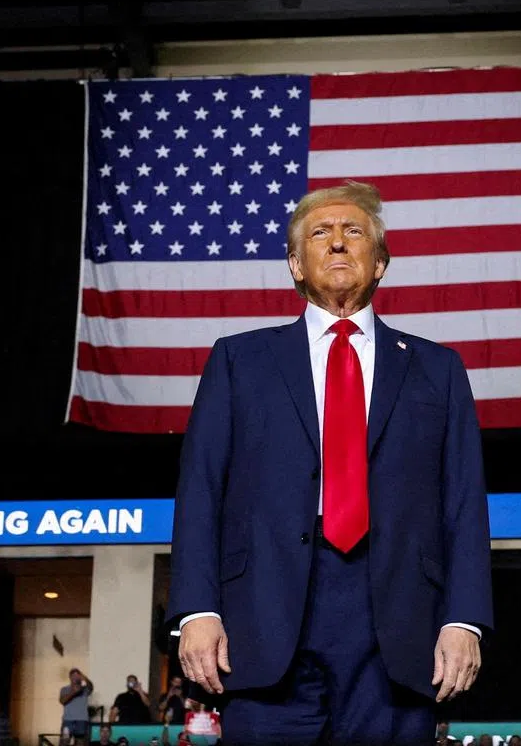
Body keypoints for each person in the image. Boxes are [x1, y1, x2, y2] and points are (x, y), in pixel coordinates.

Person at [166, 180, 495, 746]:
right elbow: (200, 491)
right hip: (263, 617)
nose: (338, 243)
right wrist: (196, 609)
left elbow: (463, 503)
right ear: (296, 265)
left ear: (381, 263)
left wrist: (463, 620)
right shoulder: (238, 360)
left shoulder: (438, 370)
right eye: (321, 233)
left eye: (353, 232)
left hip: (395, 620)